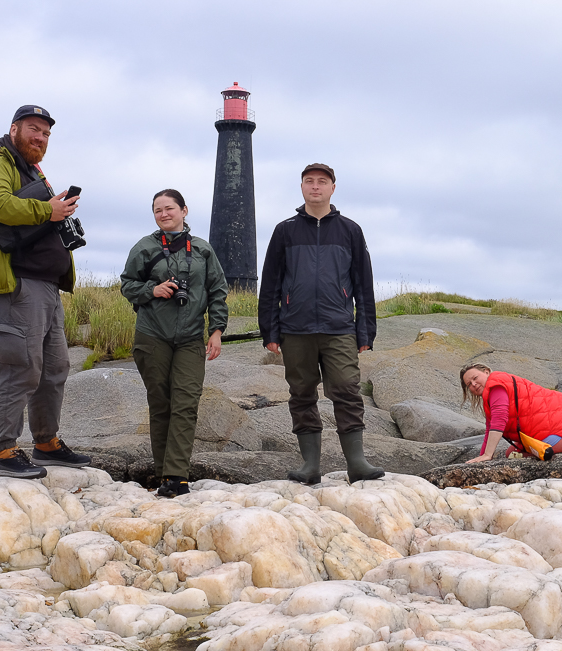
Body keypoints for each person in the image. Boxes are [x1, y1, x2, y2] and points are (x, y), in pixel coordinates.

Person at [0, 105, 91, 479]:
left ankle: (46, 443)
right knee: (20, 367)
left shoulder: (34, 170)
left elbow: (42, 213)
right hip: (17, 284)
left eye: (46, 134)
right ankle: (5, 452)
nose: (40, 138)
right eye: (34, 130)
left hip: (48, 288)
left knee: (54, 368)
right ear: (15, 129)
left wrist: (60, 213)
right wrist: (47, 212)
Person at [258, 163, 384, 484]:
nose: (315, 186)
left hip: (339, 327)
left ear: (332, 188)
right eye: (309, 181)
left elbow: (362, 283)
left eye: (322, 182)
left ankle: (357, 462)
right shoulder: (284, 230)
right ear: (302, 187)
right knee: (301, 393)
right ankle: (309, 466)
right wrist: (269, 331)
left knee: (346, 389)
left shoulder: (350, 230)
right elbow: (270, 284)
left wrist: (365, 330)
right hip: (294, 329)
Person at [121, 189, 229, 497]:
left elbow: (218, 291)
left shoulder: (203, 251)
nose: (164, 214)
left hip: (191, 338)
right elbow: (127, 284)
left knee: (185, 404)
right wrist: (152, 291)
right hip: (152, 335)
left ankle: (177, 475)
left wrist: (217, 330)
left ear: (184, 210)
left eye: (169, 208)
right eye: (158, 210)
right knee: (161, 404)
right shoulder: (144, 247)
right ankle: (163, 475)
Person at [459, 363, 562, 463]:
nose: (474, 384)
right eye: (469, 384)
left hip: (560, 432)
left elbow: (499, 421)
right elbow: (489, 429)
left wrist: (487, 455)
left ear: (486, 372)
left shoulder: (495, 385)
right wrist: (483, 457)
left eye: (475, 378)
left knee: (513, 457)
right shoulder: (498, 386)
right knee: (510, 453)